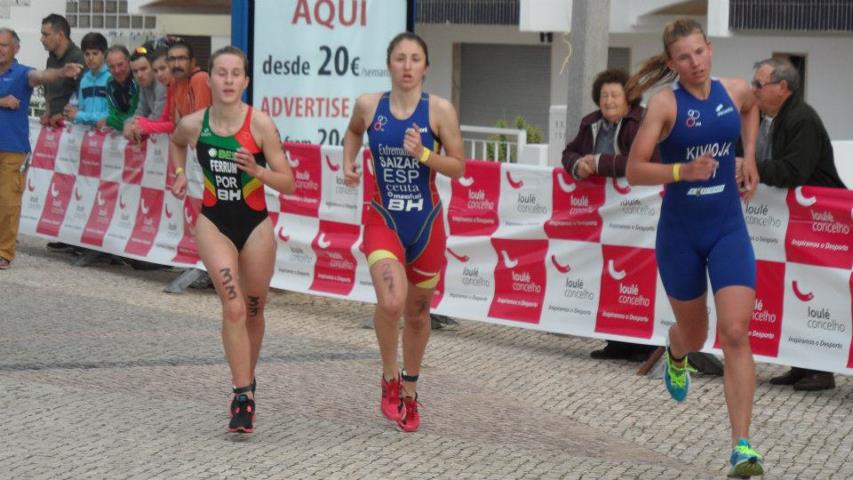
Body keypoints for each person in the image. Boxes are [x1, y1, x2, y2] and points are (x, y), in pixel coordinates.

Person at [624, 18, 764, 478]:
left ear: (710, 49)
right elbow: (635, 170)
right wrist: (682, 172)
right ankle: (676, 351)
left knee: (736, 331)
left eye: (700, 52)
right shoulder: (665, 105)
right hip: (680, 233)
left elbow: (751, 109)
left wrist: (748, 155)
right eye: (684, 57)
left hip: (727, 228)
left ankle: (742, 445)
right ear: (672, 63)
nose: (695, 63)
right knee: (696, 334)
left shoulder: (734, 89)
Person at [342, 32, 465, 433]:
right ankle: (389, 376)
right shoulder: (369, 105)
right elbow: (353, 132)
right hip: (384, 219)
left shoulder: (439, 111)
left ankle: (410, 390)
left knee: (416, 312)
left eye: (415, 59)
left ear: (426, 67)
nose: (408, 66)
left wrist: (425, 155)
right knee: (392, 302)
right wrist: (349, 164)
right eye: (400, 58)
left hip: (426, 224)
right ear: (389, 64)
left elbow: (459, 166)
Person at [170, 46, 295, 433]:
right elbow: (176, 142)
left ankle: (248, 379)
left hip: (255, 223)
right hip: (214, 222)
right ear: (209, 78)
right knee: (235, 307)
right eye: (220, 73)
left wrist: (257, 170)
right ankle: (242, 395)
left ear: (245, 81)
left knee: (255, 308)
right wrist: (178, 172)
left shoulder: (260, 124)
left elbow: (287, 180)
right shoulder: (195, 123)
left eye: (234, 74)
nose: (227, 80)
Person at [749, 57, 846, 392]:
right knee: (793, 292)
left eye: (759, 84)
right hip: (793, 222)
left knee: (818, 296)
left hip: (823, 223)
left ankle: (821, 369)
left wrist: (750, 169)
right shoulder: (765, 119)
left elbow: (794, 171)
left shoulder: (802, 119)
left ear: (783, 87)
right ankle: (801, 362)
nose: (754, 90)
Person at [561, 68, 659, 362]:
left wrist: (602, 163)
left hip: (638, 214)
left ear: (629, 98)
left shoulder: (641, 121)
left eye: (615, 94)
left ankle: (643, 343)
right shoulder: (590, 123)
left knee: (637, 276)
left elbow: (643, 161)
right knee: (606, 274)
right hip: (601, 214)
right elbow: (568, 152)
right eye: (604, 95)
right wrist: (577, 165)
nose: (609, 100)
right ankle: (615, 340)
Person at [0, 27, 83, 270]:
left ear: (16, 48)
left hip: (13, 149)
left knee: (7, 201)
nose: (0, 50)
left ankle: (4, 251)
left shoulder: (22, 73)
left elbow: (42, 76)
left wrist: (61, 73)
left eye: (4, 45)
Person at [39, 13, 83, 127]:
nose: (41, 39)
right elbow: (47, 91)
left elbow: (83, 95)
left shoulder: (79, 58)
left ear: (60, 35)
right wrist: (48, 112)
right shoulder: (50, 59)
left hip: (73, 128)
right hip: (53, 127)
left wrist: (63, 115)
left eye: (45, 35)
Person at [121, 43, 167, 142]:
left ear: (153, 67)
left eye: (143, 69)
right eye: (135, 71)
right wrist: (127, 123)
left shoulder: (161, 84)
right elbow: (141, 111)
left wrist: (134, 125)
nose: (139, 75)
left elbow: (157, 116)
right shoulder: (144, 85)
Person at [64, 32, 109, 125]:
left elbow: (110, 115)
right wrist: (71, 114)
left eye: (95, 53)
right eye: (87, 54)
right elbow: (81, 110)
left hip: (109, 135)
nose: (91, 58)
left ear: (104, 54)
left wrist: (79, 115)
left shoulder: (111, 78)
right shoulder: (84, 80)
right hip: (87, 136)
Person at [167, 39, 211, 122]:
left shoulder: (200, 78)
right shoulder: (174, 82)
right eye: (172, 59)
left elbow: (201, 121)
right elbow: (173, 122)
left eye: (182, 58)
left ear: (193, 62)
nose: (176, 64)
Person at [101, 45, 138, 131]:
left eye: (120, 65)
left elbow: (134, 118)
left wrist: (109, 121)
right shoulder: (109, 83)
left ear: (129, 62)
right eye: (111, 66)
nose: (117, 70)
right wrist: (114, 120)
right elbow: (113, 113)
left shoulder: (138, 81)